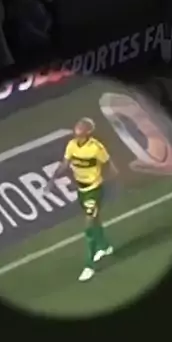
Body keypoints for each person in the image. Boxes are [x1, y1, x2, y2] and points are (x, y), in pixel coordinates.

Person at [46, 117, 117, 282]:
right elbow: (65, 164)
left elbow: (109, 164)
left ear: (87, 132)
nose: (77, 133)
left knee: (89, 226)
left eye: (80, 130)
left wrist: (106, 180)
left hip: (93, 190)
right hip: (81, 190)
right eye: (76, 130)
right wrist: (52, 180)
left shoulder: (96, 148)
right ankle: (105, 247)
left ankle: (89, 266)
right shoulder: (71, 145)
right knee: (95, 220)